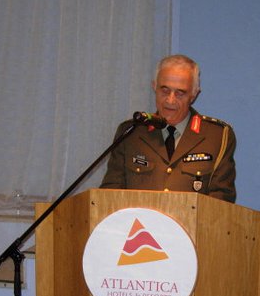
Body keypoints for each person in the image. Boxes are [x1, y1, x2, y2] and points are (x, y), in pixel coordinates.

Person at [100, 54, 236, 203]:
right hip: (138, 219)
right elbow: (109, 195)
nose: (170, 100)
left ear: (194, 94)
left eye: (180, 93)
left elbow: (221, 200)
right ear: (154, 86)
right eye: (165, 90)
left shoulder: (216, 136)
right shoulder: (131, 132)